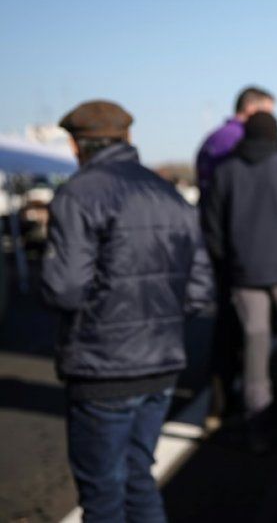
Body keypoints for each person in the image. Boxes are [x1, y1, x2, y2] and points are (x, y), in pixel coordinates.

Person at [42, 100, 214, 522]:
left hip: (102, 366)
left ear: (76, 145)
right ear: (128, 138)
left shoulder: (78, 194)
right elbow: (199, 290)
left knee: (102, 494)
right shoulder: (168, 193)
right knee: (139, 480)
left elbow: (64, 289)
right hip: (162, 364)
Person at [201, 111, 277, 447]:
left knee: (255, 351)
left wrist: (231, 261)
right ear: (275, 134)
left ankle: (259, 428)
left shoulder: (225, 172)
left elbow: (212, 229)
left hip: (245, 275)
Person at [195, 86, 275, 423]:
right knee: (239, 329)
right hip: (239, 251)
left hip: (220, 244)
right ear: (252, 109)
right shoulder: (236, 141)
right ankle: (234, 403)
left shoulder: (212, 139)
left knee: (229, 325)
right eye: (268, 112)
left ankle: (221, 401)